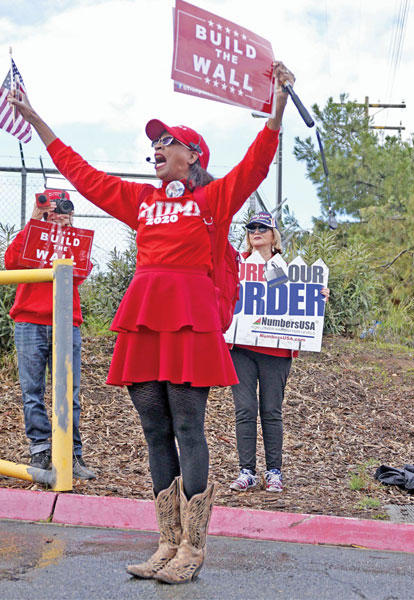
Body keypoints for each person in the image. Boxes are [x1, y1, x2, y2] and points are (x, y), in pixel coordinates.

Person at [9, 60, 295, 584]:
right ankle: (166, 541)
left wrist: (277, 102)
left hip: (187, 322)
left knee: (189, 426)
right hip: (144, 319)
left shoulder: (212, 200)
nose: (157, 148)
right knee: (153, 429)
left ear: (193, 155)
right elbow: (84, 176)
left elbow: (257, 162)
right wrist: (38, 119)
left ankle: (194, 546)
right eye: (155, 142)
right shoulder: (140, 201)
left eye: (168, 141)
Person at [227, 210, 328, 493]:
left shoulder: (290, 270)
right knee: (244, 410)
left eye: (262, 227)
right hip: (241, 350)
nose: (256, 231)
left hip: (276, 351)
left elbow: (304, 298)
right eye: (251, 227)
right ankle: (246, 471)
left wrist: (318, 295)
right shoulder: (236, 265)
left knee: (271, 410)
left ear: (274, 235)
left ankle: (274, 472)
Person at [4, 192, 96, 480]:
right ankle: (41, 451)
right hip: (29, 320)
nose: (57, 214)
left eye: (63, 209)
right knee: (33, 392)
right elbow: (10, 262)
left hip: (66, 321)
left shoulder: (73, 240)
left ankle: (72, 455)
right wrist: (34, 219)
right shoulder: (31, 235)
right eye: (52, 210)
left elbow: (80, 274)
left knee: (70, 393)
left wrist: (69, 230)